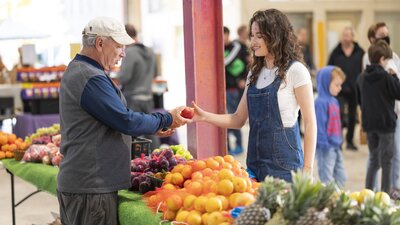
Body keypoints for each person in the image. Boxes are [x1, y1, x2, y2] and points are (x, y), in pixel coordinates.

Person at [57, 17, 188, 225]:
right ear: (100, 43)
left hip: (88, 184)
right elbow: (124, 120)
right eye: (118, 46)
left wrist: (157, 126)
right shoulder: (89, 77)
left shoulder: (86, 71)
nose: (123, 53)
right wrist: (167, 118)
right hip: (90, 188)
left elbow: (109, 121)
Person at [193, 9, 317, 182]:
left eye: (259, 36)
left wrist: (308, 169)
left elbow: (310, 123)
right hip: (254, 166)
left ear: (275, 35)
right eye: (252, 35)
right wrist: (204, 116)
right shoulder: (254, 73)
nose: (253, 42)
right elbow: (238, 119)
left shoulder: (296, 71)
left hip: (285, 167)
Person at [356, 40, 400, 194]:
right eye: (388, 60)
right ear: (382, 59)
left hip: (370, 124)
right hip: (386, 124)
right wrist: (395, 77)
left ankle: (368, 192)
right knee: (387, 160)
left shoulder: (361, 77)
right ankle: (385, 194)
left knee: (374, 160)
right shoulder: (386, 77)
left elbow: (360, 101)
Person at [117, 24, 160, 149]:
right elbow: (156, 73)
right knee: (151, 131)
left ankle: (134, 163)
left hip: (132, 99)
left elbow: (124, 77)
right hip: (147, 97)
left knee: (131, 134)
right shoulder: (150, 51)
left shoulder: (129, 52)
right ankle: (157, 159)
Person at [328, 26, 365, 151]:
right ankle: (338, 140)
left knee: (352, 116)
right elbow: (330, 68)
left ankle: (350, 141)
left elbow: (364, 70)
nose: (346, 37)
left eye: (348, 35)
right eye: (344, 35)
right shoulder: (336, 51)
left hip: (355, 88)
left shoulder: (360, 52)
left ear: (353, 37)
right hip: (340, 89)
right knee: (338, 114)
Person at [315, 66, 347, 188]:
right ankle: (329, 201)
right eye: (337, 85)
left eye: (340, 85)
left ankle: (336, 197)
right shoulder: (320, 103)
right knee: (326, 179)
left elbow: (337, 124)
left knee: (341, 177)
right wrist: (323, 144)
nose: (340, 88)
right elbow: (319, 126)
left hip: (336, 146)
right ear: (326, 83)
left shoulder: (334, 101)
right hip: (325, 148)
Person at [223, 26, 249, 155]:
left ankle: (239, 144)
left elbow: (225, 63)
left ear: (227, 35)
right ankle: (228, 146)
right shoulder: (221, 48)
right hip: (224, 89)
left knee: (234, 116)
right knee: (224, 118)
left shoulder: (236, 46)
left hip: (233, 89)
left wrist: (243, 78)